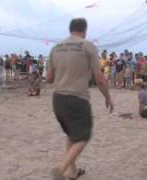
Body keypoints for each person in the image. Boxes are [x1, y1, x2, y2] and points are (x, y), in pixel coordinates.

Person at [46, 18, 114, 180]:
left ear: (70, 29)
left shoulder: (56, 48)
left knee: (72, 135)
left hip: (58, 99)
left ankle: (73, 172)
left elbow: (49, 78)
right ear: (85, 30)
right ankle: (60, 169)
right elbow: (100, 79)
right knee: (83, 136)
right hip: (77, 99)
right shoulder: (88, 46)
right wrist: (108, 98)